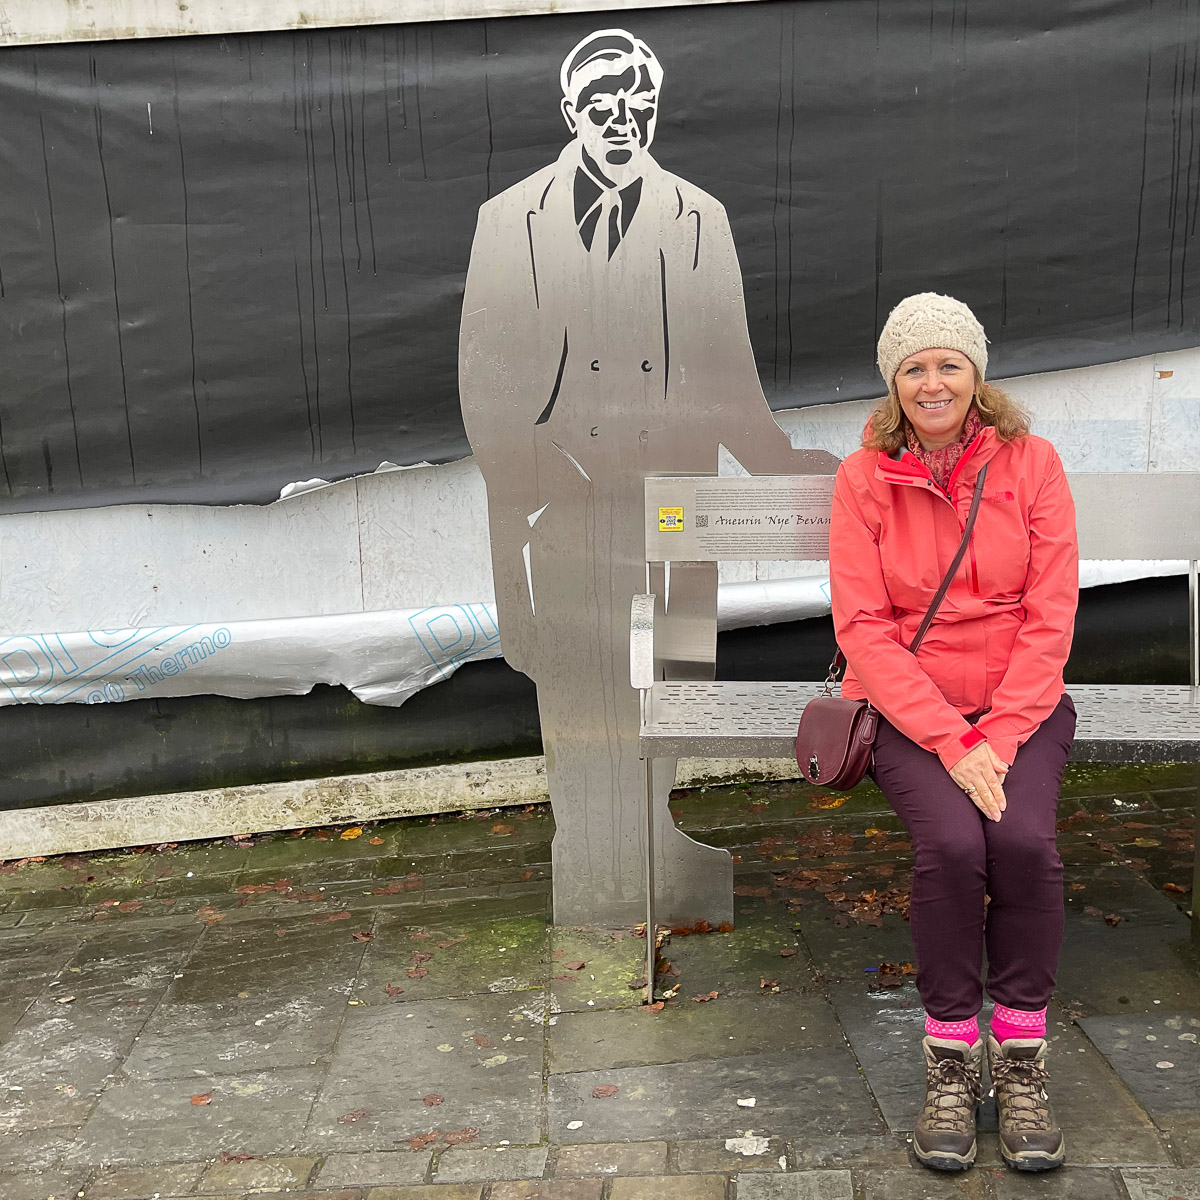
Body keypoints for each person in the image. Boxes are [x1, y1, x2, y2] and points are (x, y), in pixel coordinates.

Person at [459, 29, 834, 926]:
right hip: (559, 506)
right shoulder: (508, 220)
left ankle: (658, 839)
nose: (622, 121)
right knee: (575, 683)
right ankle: (588, 850)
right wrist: (546, 475)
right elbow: (487, 381)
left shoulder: (699, 216)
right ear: (570, 113)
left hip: (672, 505)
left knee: (670, 679)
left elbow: (727, 374)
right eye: (602, 106)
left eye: (639, 105)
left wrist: (789, 470)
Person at [829, 293, 1079, 1173]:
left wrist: (999, 738)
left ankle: (1019, 1062)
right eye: (913, 367)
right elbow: (862, 627)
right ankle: (947, 1058)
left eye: (948, 364)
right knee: (950, 849)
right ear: (893, 385)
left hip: (1021, 706)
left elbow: (1051, 618)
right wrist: (952, 739)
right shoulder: (863, 479)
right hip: (909, 709)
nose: (932, 382)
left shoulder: (1032, 464)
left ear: (977, 375)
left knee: (1023, 844)